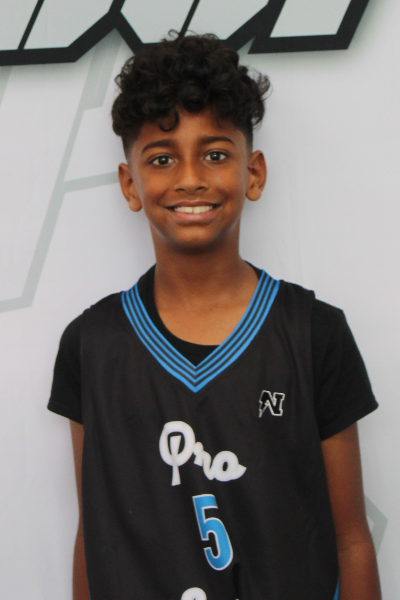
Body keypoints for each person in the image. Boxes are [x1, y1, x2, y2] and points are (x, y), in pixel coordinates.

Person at [48, 33, 381, 600]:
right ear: (130, 184)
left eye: (216, 154)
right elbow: (95, 535)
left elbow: (350, 538)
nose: (190, 178)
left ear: (253, 173)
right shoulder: (90, 345)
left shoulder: (314, 333)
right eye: (162, 159)